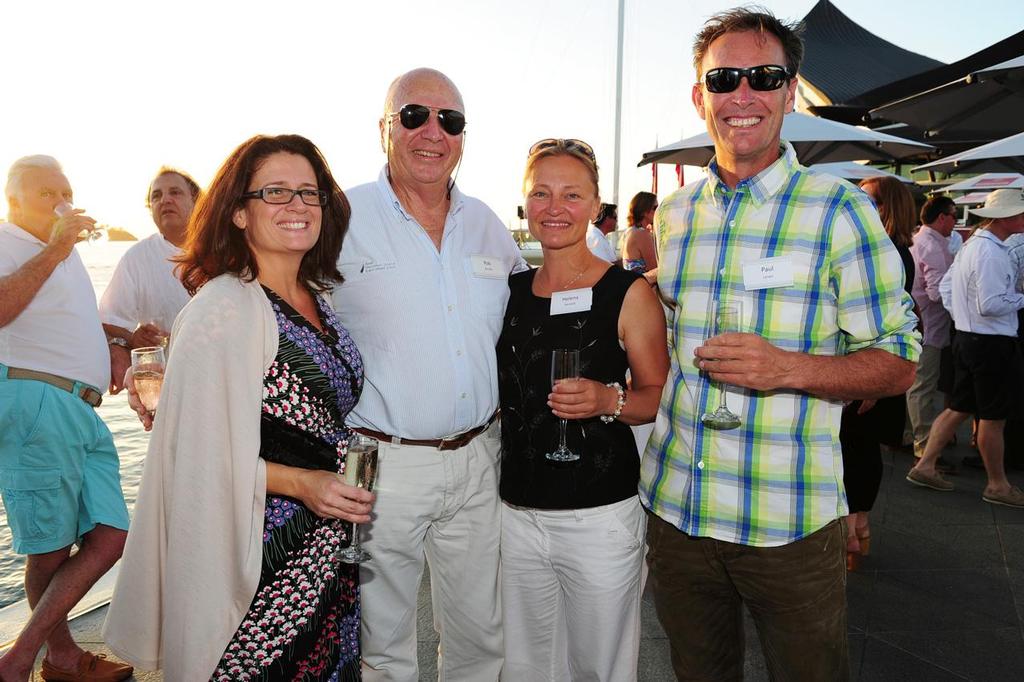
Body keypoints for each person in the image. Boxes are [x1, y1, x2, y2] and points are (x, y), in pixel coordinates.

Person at [639, 9, 920, 680]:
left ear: (789, 92)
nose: (743, 94)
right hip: (679, 511)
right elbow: (659, 320)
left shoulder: (839, 210)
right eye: (724, 77)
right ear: (698, 96)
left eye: (763, 77)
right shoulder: (676, 217)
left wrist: (788, 369)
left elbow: (901, 361)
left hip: (788, 522)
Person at [103, 135, 375, 680]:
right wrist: (303, 483)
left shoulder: (317, 298)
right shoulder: (224, 306)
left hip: (325, 548)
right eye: (275, 192)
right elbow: (195, 460)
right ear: (239, 214)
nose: (297, 205)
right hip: (258, 559)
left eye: (309, 192)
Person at [331, 68, 526, 681]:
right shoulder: (338, 217)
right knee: (379, 639)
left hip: (477, 459)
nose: (433, 132)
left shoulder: (488, 222)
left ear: (463, 136)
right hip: (375, 460)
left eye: (451, 120)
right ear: (385, 129)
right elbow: (276, 313)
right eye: (414, 116)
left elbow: (538, 310)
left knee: (479, 634)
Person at [497, 138, 668, 681]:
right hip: (517, 512)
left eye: (572, 194)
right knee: (525, 667)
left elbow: (658, 396)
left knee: (601, 669)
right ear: (525, 205)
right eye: (541, 193)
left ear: (596, 205)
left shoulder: (627, 291)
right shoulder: (512, 290)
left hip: (599, 516)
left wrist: (607, 400)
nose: (555, 208)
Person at [0, 155, 132, 682]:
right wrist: (58, 246)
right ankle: (46, 658)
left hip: (81, 407)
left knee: (112, 534)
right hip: (36, 402)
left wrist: (120, 340)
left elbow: (63, 323)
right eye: (45, 194)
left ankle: (39, 655)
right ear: (13, 201)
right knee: (51, 546)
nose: (60, 202)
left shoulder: (60, 253)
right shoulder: (11, 242)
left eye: (65, 191)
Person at [908, 189, 1024, 508]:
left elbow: (948, 288)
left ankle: (925, 465)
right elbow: (990, 304)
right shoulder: (991, 251)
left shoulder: (974, 244)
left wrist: (963, 316)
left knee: (958, 407)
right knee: (992, 416)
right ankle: (998, 484)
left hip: (970, 338)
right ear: (1008, 217)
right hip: (990, 342)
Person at [840, 176, 918, 570]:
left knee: (856, 447)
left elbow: (885, 319)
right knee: (859, 446)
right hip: (866, 367)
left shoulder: (887, 252)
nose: (859, 201)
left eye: (867, 197)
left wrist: (868, 375)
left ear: (887, 206)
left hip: (868, 367)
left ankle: (855, 532)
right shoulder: (892, 249)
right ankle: (858, 531)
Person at [99, 167, 199, 393]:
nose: (165, 200)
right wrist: (132, 338)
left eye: (175, 192)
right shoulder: (137, 258)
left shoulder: (225, 250)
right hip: (170, 387)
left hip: (230, 376)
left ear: (197, 202)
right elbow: (109, 317)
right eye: (157, 196)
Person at [907, 196, 957, 459]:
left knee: (916, 385)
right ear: (942, 218)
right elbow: (938, 293)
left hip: (923, 324)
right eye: (954, 216)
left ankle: (911, 436)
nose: (956, 222)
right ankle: (924, 445)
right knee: (923, 387)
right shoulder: (933, 245)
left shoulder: (920, 239)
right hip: (930, 326)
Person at [621, 191, 658, 275]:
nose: (658, 211)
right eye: (655, 208)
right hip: (644, 286)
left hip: (633, 286)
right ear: (644, 211)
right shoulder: (642, 234)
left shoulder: (630, 231)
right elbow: (655, 269)